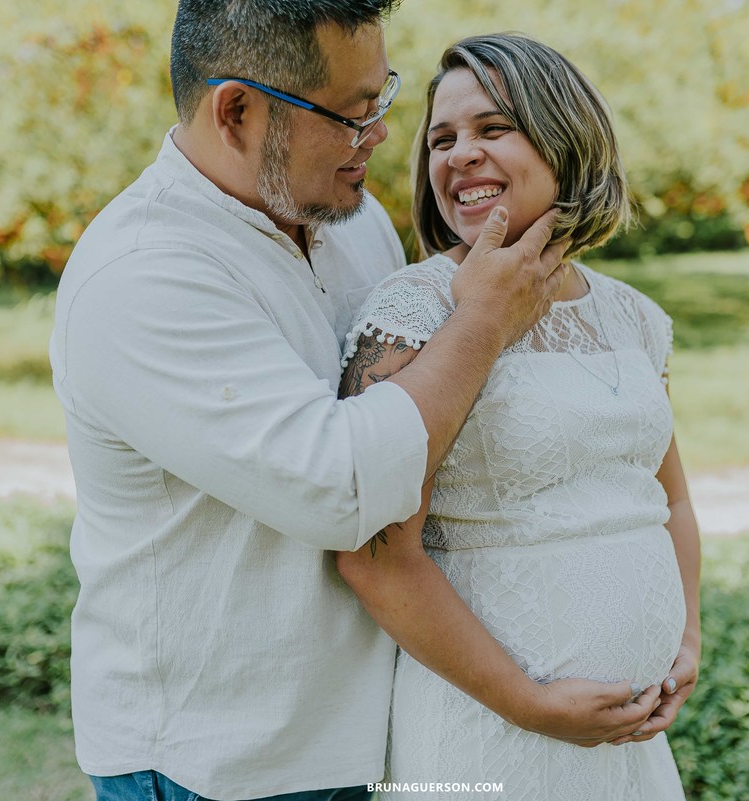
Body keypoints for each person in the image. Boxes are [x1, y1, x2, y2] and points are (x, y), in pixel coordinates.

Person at [50, 3, 667, 800]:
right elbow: (343, 491)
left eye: (383, 97)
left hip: (371, 734)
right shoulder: (144, 273)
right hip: (220, 761)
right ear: (237, 112)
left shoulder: (351, 220)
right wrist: (483, 321)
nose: (379, 134)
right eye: (350, 113)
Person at [336, 33, 703, 800]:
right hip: (481, 735)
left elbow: (667, 498)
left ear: (566, 137)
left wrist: (684, 638)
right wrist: (531, 704)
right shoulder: (410, 312)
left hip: (628, 744)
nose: (460, 154)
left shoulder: (634, 318)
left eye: (493, 128)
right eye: (442, 139)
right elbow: (373, 555)